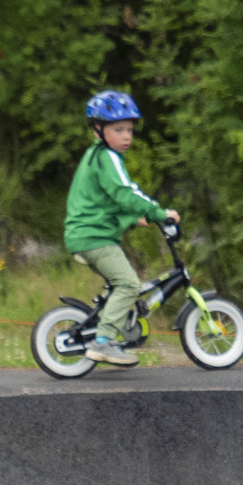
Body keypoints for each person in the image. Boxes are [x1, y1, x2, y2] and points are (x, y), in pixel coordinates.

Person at [64, 90, 179, 367]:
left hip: (86, 233)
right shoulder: (108, 157)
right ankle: (102, 342)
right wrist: (159, 213)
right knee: (129, 284)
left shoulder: (96, 156)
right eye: (118, 129)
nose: (127, 136)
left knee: (120, 284)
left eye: (129, 129)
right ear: (97, 131)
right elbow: (126, 194)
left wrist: (133, 220)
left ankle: (110, 328)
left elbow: (103, 202)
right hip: (94, 237)